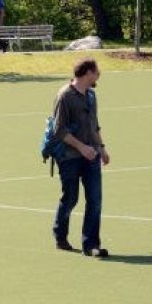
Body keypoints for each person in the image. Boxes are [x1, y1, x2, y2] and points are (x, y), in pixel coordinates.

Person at [51, 58, 111, 257]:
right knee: (71, 198)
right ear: (88, 72)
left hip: (92, 156)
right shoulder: (64, 96)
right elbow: (58, 130)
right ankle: (60, 235)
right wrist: (81, 147)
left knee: (95, 200)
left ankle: (90, 244)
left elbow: (94, 125)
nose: (98, 75)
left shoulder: (91, 96)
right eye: (96, 71)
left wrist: (101, 147)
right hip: (69, 157)